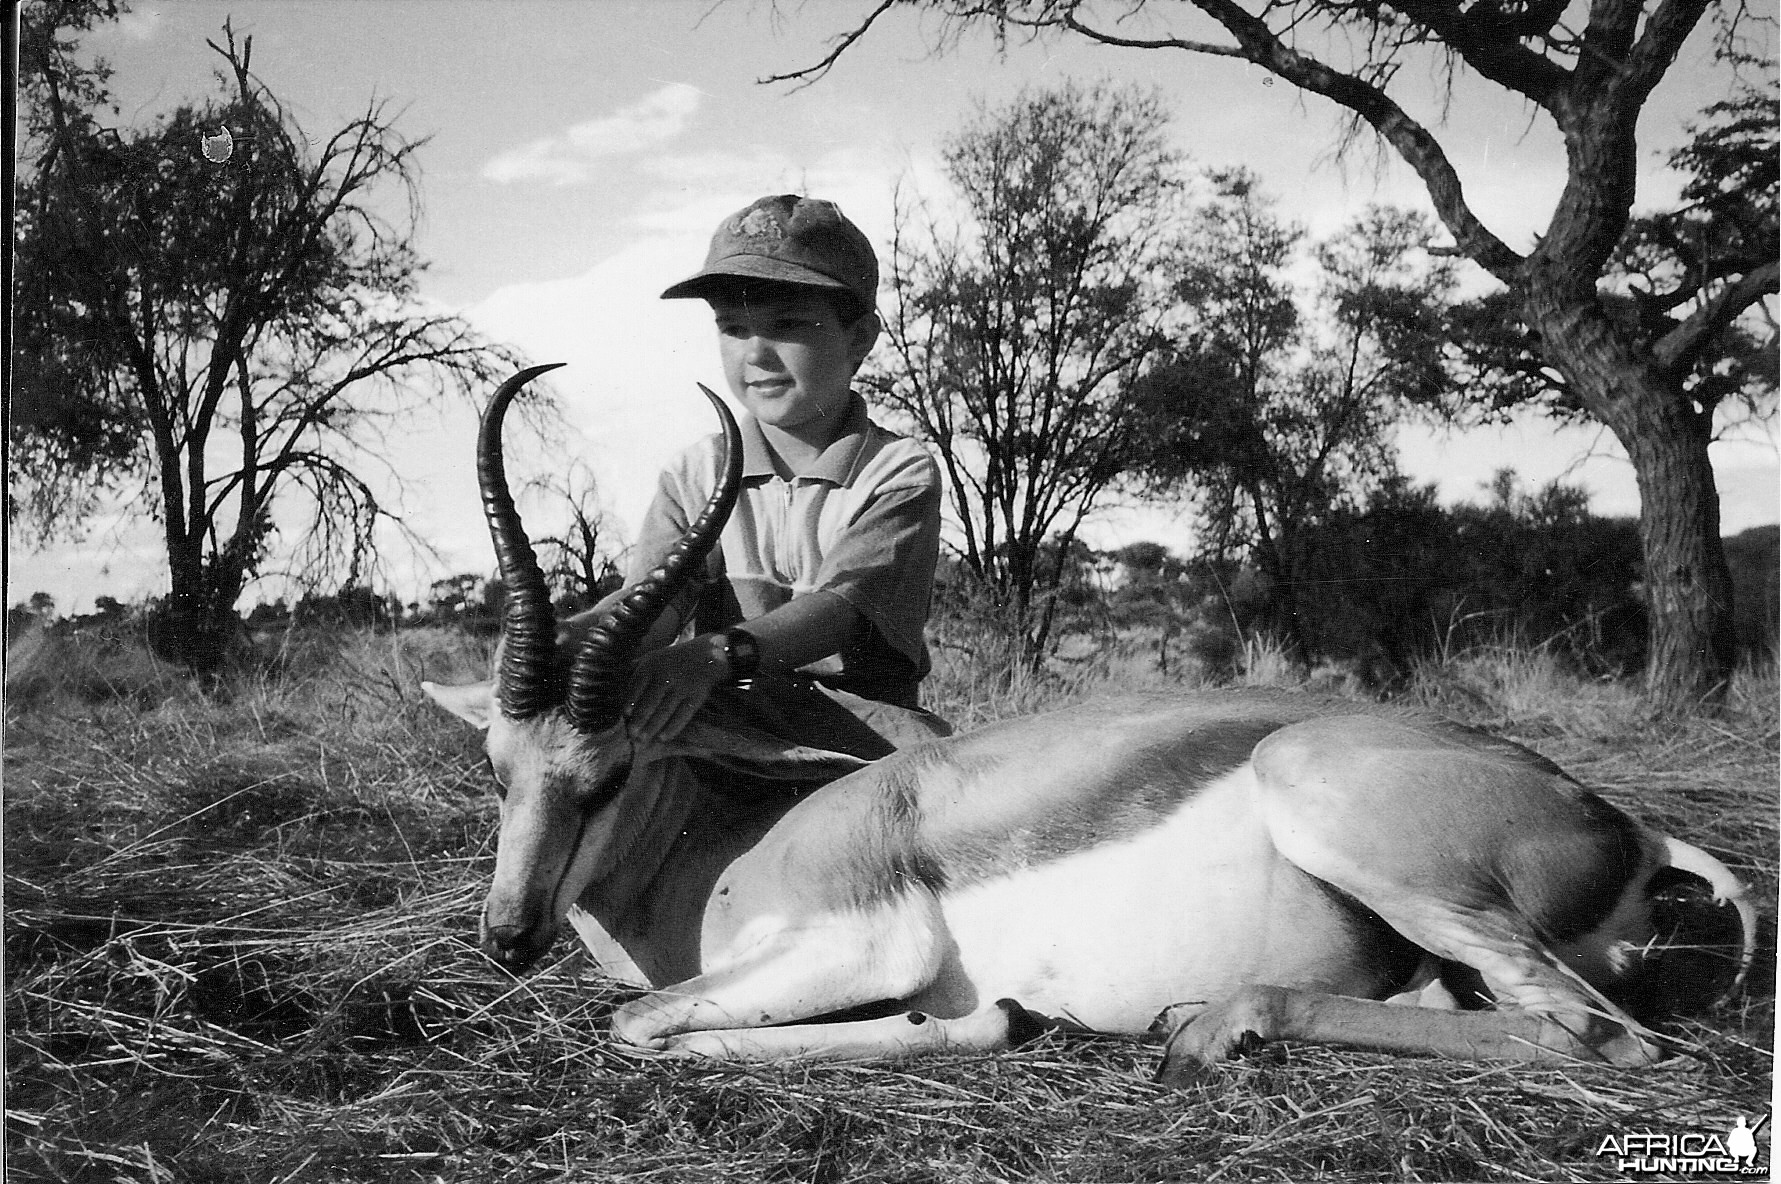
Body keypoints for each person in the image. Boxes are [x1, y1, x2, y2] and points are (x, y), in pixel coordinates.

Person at [609, 194, 946, 752]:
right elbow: (649, 605)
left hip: (863, 739)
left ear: (860, 336)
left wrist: (716, 656)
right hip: (732, 727)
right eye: (733, 328)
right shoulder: (697, 472)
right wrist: (578, 637)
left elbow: (839, 611)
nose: (755, 355)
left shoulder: (896, 470)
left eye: (787, 325)